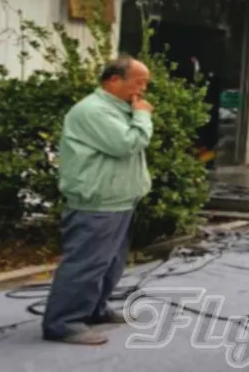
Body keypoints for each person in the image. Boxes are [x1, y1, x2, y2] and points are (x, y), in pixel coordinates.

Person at [42, 56, 154, 345]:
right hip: (97, 202)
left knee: (110, 263)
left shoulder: (118, 109)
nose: (143, 88)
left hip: (119, 200)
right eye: (139, 82)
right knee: (86, 263)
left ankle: (94, 309)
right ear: (113, 80)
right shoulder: (93, 111)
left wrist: (136, 113)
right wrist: (143, 116)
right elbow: (126, 144)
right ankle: (63, 323)